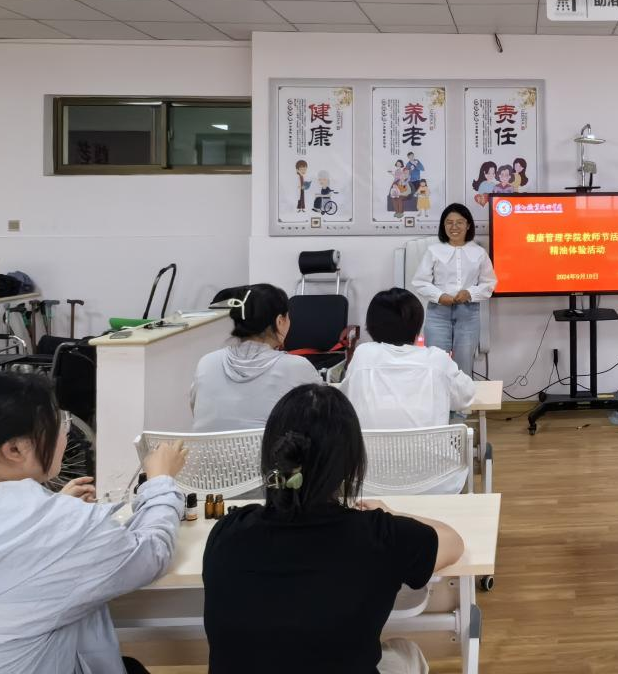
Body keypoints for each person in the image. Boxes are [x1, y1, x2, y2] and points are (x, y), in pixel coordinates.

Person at [202, 383, 465, 674]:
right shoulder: (380, 535)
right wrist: (393, 514)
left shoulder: (226, 532)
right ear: (350, 464)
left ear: (273, 454)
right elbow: (453, 542)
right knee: (406, 652)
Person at [0, 371, 188, 674]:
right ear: (14, 449)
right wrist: (161, 480)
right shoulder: (63, 528)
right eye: (59, 424)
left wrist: (54, 508)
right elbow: (152, 553)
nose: (65, 435)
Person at [343, 289, 476, 492]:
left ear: (372, 326)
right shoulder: (437, 359)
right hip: (436, 483)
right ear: (418, 326)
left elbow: (345, 399)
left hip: (368, 483)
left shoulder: (363, 356)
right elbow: (465, 397)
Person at [191, 284, 320, 431]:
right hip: (269, 446)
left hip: (206, 447)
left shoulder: (207, 362)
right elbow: (327, 412)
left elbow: (195, 410)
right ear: (280, 321)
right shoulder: (296, 367)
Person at [412, 204, 496, 377]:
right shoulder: (433, 251)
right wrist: (439, 296)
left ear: (468, 225)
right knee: (436, 365)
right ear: (443, 226)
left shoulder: (479, 252)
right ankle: (438, 396)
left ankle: (461, 396)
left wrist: (470, 293)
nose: (454, 227)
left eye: (459, 222)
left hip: (468, 313)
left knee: (463, 367)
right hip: (438, 313)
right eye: (449, 222)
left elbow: (489, 283)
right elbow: (420, 282)